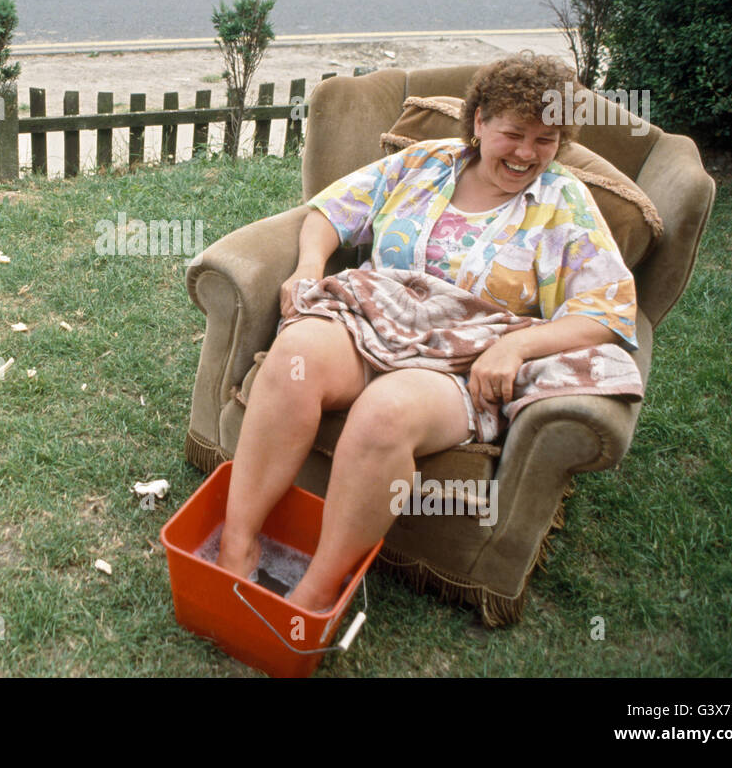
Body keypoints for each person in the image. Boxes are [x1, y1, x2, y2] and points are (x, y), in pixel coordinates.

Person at [215, 54, 641, 613]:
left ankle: (315, 593)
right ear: (480, 121)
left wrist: (517, 346)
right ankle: (235, 549)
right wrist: (307, 268)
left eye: (546, 139)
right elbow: (331, 211)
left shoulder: (565, 203)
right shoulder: (426, 162)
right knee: (294, 356)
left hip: (463, 359)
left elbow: (610, 312)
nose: (526, 154)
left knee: (385, 414)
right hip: (374, 316)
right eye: (513, 134)